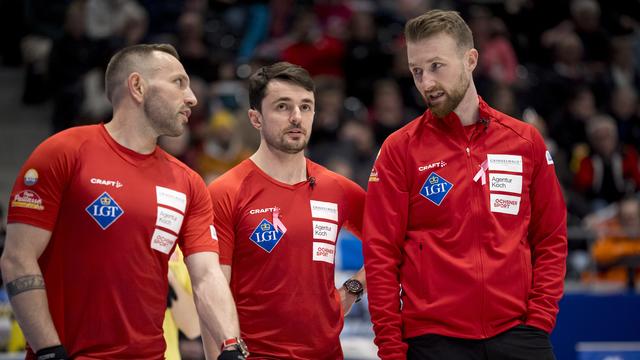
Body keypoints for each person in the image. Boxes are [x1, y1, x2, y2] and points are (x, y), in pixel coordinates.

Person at [1, 44, 247, 360]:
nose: (192, 98)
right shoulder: (64, 152)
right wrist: (49, 350)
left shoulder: (188, 183)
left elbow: (206, 275)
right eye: (178, 82)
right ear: (137, 86)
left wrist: (231, 346)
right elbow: (17, 259)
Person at [363, 10, 568, 360]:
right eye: (417, 71)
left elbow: (550, 237)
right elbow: (380, 255)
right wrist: (391, 350)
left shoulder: (524, 141)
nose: (426, 82)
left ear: (470, 59)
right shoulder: (400, 150)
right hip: (433, 342)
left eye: (436, 66)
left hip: (519, 334)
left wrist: (539, 319)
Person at [206, 62, 366, 359]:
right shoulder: (226, 192)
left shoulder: (338, 189)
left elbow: (394, 241)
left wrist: (354, 289)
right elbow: (212, 294)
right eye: (282, 106)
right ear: (255, 118)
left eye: (306, 107)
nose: (296, 117)